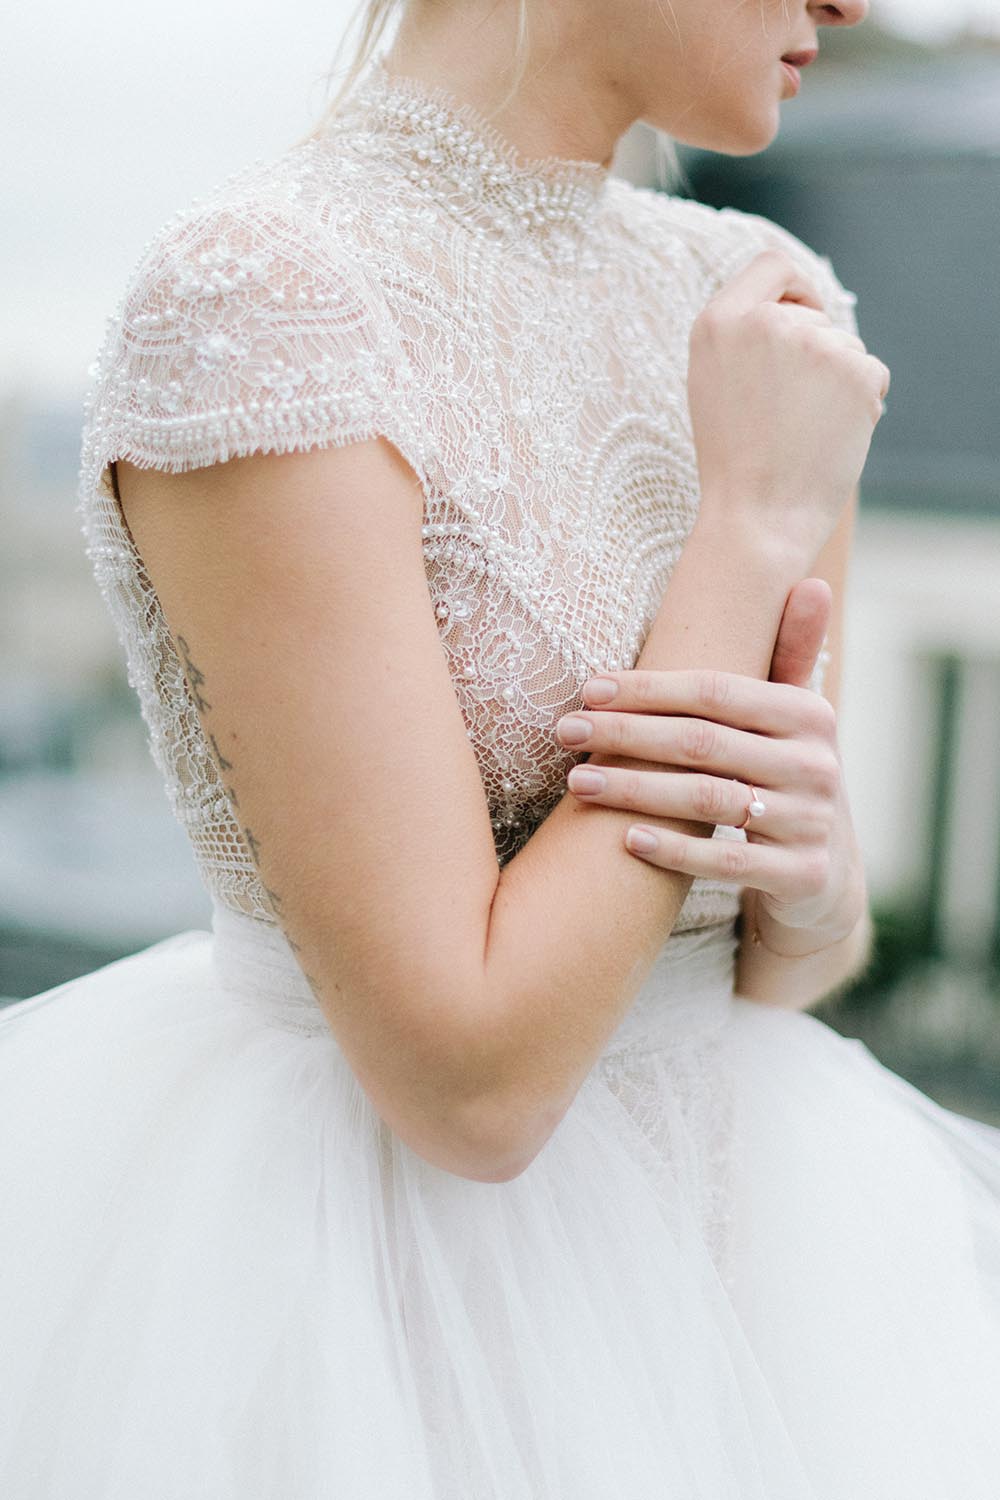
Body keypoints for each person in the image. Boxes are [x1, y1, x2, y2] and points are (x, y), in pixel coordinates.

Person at [3, 0, 1000, 1493]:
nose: (855, 4)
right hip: (366, 1306)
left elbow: (770, 962)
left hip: (750, 1269)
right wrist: (744, 530)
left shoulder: (767, 309)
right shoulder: (268, 297)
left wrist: (816, 876)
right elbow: (470, 1086)